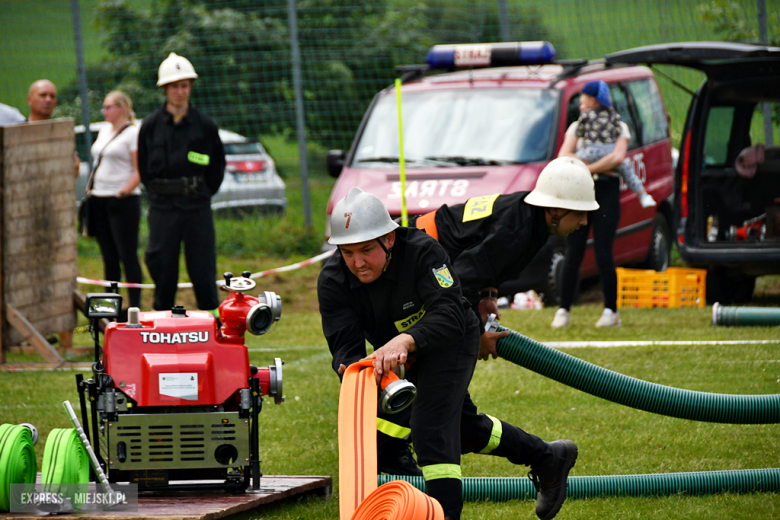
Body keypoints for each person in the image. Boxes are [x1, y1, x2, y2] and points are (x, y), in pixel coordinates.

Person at [318, 186, 579, 520]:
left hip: (451, 338)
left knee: (430, 428)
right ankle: (547, 457)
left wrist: (405, 341)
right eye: (347, 252)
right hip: (403, 353)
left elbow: (449, 313)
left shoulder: (424, 252)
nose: (357, 263)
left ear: (390, 240)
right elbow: (345, 348)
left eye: (366, 250)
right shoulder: (332, 280)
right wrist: (354, 373)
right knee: (462, 430)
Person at [411, 157, 599, 358]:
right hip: (415, 258)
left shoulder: (528, 216)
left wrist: (488, 296)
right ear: (555, 209)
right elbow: (462, 279)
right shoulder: (517, 230)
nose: (584, 222)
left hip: (424, 252)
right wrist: (478, 336)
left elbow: (483, 258)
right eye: (580, 213)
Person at [138, 52, 225, 311]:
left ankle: (212, 324)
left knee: (203, 268)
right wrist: (159, 196)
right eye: (174, 86)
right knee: (163, 267)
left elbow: (215, 165)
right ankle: (162, 323)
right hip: (163, 208)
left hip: (197, 206)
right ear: (165, 88)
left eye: (184, 85)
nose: (180, 91)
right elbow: (143, 168)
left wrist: (202, 193)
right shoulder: (150, 126)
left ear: (190, 87)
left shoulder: (205, 126)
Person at [553, 82, 634, 328]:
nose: (580, 103)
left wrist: (586, 166)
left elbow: (619, 157)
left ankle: (611, 312)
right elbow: (563, 156)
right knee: (573, 251)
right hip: (580, 191)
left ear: (595, 100)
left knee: (603, 252)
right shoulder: (577, 126)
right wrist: (599, 166)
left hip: (607, 191)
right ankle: (563, 310)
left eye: (584, 98)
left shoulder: (620, 126)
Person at [88, 91, 144, 310]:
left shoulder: (133, 133)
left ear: (122, 108)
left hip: (123, 202)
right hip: (99, 199)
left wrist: (121, 193)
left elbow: (140, 170)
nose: (105, 111)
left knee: (127, 254)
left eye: (109, 107)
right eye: (104, 107)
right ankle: (110, 309)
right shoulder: (103, 130)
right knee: (108, 256)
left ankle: (135, 307)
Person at [574, 80, 655, 209]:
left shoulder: (585, 115)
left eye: (582, 103)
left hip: (590, 151)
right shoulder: (614, 115)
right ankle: (643, 195)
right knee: (628, 172)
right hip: (609, 151)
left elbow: (580, 131)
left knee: (572, 161)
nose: (580, 106)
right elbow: (617, 131)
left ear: (592, 101)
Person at [26, 79, 80, 176]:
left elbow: (74, 172)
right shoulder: (18, 133)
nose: (48, 100)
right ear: (29, 100)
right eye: (42, 95)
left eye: (52, 96)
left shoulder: (62, 133)